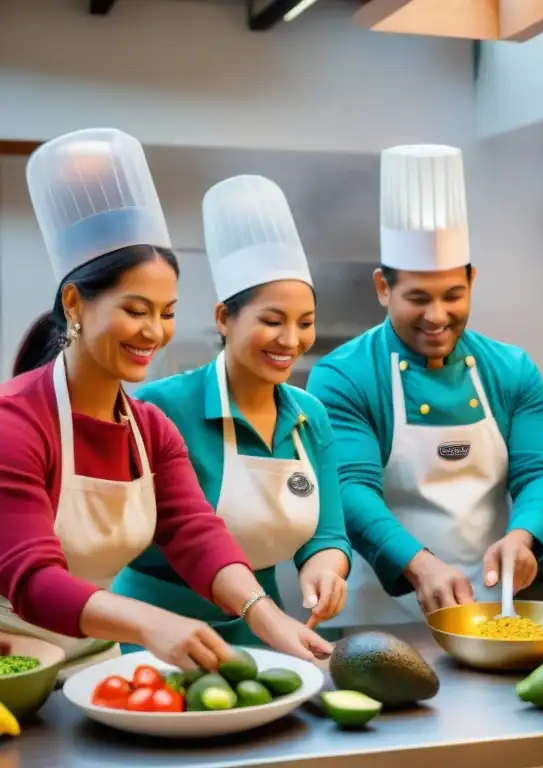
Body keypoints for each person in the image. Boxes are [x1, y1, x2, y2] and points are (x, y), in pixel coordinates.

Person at [0, 128, 331, 672]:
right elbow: (32, 580)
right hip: (11, 663)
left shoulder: (149, 429)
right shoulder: (17, 421)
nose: (154, 331)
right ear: (74, 302)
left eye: (168, 311)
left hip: (96, 662)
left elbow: (196, 533)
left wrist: (269, 618)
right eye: (136, 309)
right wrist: (149, 620)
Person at [306, 143, 543, 624]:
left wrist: (526, 534)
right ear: (383, 288)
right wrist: (419, 564)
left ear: (472, 280)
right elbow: (349, 487)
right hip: (379, 614)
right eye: (418, 298)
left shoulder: (511, 368)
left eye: (454, 295)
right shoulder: (345, 374)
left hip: (491, 610)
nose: (437, 316)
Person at [110, 175, 351, 648]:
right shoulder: (160, 406)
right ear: (224, 318)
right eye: (271, 320)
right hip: (156, 631)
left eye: (305, 323)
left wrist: (327, 572)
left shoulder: (309, 415)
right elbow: (170, 534)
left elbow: (327, 533)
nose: (290, 341)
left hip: (265, 630)